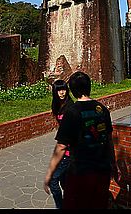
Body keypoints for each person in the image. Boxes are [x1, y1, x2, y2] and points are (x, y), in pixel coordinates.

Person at [43, 71, 119, 209]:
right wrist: (113, 164)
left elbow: (61, 146)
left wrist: (49, 174)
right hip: (102, 169)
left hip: (81, 171)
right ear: (89, 87)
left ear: (71, 90)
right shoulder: (102, 109)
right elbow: (109, 140)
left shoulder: (72, 112)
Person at [47, 79, 74, 209]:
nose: (62, 93)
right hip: (65, 147)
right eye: (58, 90)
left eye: (63, 89)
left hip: (68, 150)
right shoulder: (57, 105)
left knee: (53, 180)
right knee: (64, 180)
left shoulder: (70, 107)